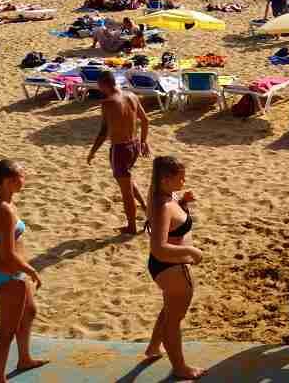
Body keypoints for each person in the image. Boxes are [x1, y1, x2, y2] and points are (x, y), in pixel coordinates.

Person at [0, 159, 48, 383]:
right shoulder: (4, 210)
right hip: (9, 275)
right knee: (6, 333)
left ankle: (24, 358)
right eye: (22, 175)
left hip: (13, 273)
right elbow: (8, 254)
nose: (25, 178)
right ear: (10, 181)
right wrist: (32, 271)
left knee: (29, 312)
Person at [144, 156, 206, 379]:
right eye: (180, 179)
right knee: (174, 321)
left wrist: (184, 203)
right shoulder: (163, 206)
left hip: (164, 267)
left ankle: (153, 347)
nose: (184, 182)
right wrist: (191, 252)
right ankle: (180, 368)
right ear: (165, 179)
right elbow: (159, 247)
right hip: (171, 267)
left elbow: (170, 225)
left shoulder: (164, 195)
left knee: (170, 308)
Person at [87, 71, 150, 234]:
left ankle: (131, 226)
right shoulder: (132, 96)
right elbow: (145, 120)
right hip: (134, 145)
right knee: (127, 179)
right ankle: (146, 208)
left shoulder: (108, 102)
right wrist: (143, 141)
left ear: (103, 84)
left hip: (120, 149)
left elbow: (103, 131)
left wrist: (92, 151)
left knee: (125, 192)